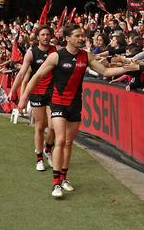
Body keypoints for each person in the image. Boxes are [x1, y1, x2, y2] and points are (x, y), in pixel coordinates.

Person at [18, 25, 129, 198]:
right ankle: (55, 184)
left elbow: (106, 71)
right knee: (60, 140)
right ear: (68, 38)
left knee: (69, 142)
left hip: (75, 104)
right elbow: (37, 76)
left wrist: (128, 68)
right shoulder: (56, 56)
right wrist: (23, 97)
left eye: (82, 36)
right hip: (57, 102)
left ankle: (63, 178)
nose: (81, 38)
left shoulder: (86, 56)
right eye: (77, 36)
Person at [8, 26, 57, 171]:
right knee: (40, 126)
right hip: (36, 92)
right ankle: (39, 158)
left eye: (48, 34)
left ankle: (48, 149)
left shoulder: (56, 50)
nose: (46, 37)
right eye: (43, 34)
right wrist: (12, 91)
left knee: (53, 126)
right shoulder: (31, 53)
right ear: (37, 37)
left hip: (52, 92)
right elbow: (22, 74)